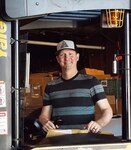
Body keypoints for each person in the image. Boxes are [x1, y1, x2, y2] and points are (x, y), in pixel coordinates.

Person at [39, 40, 113, 134]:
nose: (67, 58)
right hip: (59, 138)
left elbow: (107, 110)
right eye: (62, 55)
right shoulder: (50, 86)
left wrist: (99, 123)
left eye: (70, 54)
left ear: (77, 57)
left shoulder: (91, 81)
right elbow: (43, 115)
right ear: (58, 59)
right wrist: (45, 122)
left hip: (85, 137)